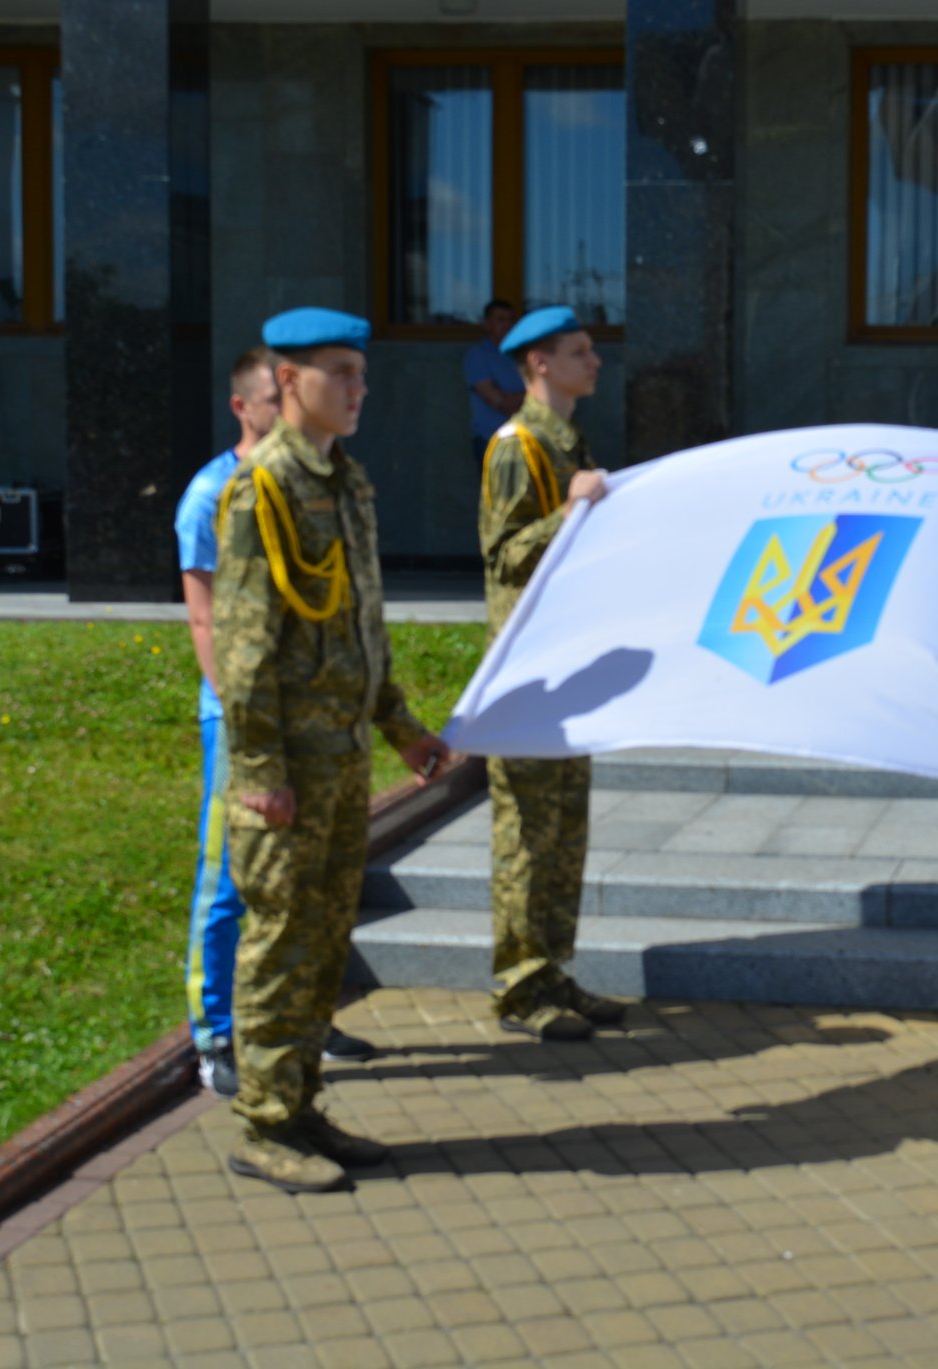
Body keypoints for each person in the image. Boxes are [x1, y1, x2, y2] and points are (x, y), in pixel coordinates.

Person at [212, 307, 451, 1193]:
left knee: (321, 941)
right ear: (286, 383)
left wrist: (401, 726)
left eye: (361, 372)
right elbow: (244, 650)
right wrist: (261, 773)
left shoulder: (347, 484)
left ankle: (302, 1104)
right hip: (290, 774)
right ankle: (265, 1124)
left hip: (344, 756)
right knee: (279, 940)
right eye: (339, 373)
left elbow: (359, 629)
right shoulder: (263, 489)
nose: (358, 389)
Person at [174, 348, 378, 1098]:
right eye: (269, 398)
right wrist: (246, 723)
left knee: (311, 886)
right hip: (240, 720)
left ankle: (307, 1021)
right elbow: (207, 619)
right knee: (229, 879)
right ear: (247, 404)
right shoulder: (213, 493)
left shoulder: (324, 485)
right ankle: (216, 1036)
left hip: (306, 723)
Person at [478, 305, 625, 1042]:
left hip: (570, 667)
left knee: (565, 830)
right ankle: (518, 984)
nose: (593, 360)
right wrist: (569, 513)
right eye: (579, 350)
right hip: (529, 675)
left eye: (591, 349)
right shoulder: (517, 447)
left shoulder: (569, 441)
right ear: (539, 364)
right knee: (526, 833)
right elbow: (503, 555)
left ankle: (551, 968)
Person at [463, 299, 524, 465]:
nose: (508, 325)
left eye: (511, 320)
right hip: (492, 442)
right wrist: (528, 396)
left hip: (526, 441)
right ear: (488, 324)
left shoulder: (522, 355)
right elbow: (502, 403)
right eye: (501, 320)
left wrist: (518, 397)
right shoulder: (478, 355)